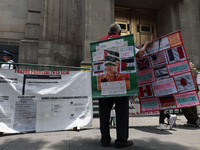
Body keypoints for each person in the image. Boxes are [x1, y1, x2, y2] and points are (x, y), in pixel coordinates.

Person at [98, 23, 152, 148]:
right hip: (121, 82)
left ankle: (104, 140)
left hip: (104, 81)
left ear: (108, 32)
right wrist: (145, 46)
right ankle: (121, 141)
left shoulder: (99, 42)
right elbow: (139, 54)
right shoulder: (125, 41)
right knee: (121, 112)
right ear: (120, 32)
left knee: (104, 112)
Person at [181, 61, 200, 127]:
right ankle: (193, 121)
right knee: (192, 103)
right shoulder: (190, 64)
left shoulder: (182, 65)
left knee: (182, 102)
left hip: (187, 86)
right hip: (193, 85)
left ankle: (194, 119)